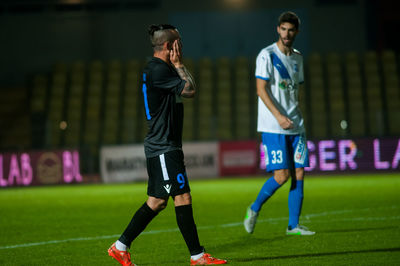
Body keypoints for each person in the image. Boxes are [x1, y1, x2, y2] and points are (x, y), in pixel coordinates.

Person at [107, 24, 227, 266]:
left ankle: (120, 247)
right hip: (163, 146)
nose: (181, 46)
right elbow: (190, 90)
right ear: (169, 46)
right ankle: (197, 256)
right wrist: (180, 64)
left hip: (163, 144)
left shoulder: (158, 68)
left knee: (157, 201)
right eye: (178, 42)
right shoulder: (159, 70)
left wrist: (177, 66)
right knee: (182, 197)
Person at [243, 12, 315, 236]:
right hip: (273, 126)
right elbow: (260, 90)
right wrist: (279, 117)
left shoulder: (297, 58)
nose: (287, 33)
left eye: (291, 30)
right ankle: (254, 209)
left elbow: (295, 90)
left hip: (296, 125)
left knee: (300, 172)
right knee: (282, 176)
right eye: (283, 29)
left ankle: (293, 225)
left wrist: (293, 116)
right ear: (278, 29)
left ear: (297, 32)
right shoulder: (267, 55)